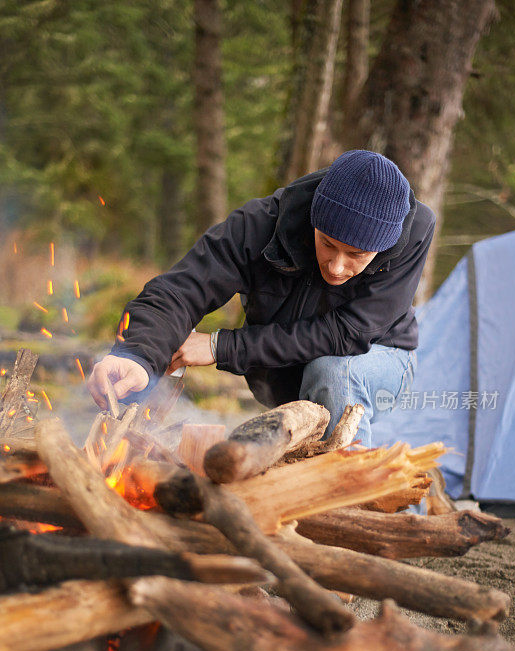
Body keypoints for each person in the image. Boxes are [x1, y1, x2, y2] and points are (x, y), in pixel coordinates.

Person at [88, 150, 435, 446]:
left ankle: (352, 501)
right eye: (327, 243)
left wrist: (218, 346)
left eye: (357, 255)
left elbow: (348, 333)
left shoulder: (415, 232)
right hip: (285, 375)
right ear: (314, 217)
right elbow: (180, 291)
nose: (337, 267)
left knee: (332, 370)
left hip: (382, 355)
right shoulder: (260, 226)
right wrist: (137, 355)